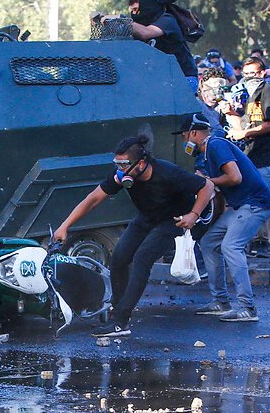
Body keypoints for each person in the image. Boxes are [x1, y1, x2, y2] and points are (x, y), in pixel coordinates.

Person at [52, 134, 213, 337]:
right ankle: (117, 313)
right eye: (117, 164)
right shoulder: (122, 176)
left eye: (124, 164)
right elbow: (93, 199)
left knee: (142, 258)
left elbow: (206, 186)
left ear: (141, 163)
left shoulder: (168, 173)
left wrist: (193, 214)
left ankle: (120, 321)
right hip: (147, 217)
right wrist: (65, 226)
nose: (120, 170)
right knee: (119, 257)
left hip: (174, 220)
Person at [175, 113, 270, 322]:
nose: (185, 142)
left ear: (193, 133)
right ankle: (221, 301)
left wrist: (207, 182)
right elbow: (219, 195)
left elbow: (234, 177)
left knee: (231, 246)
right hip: (242, 205)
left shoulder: (215, 145)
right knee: (209, 241)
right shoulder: (209, 151)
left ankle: (247, 308)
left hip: (256, 203)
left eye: (185, 136)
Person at [221, 57, 270, 261]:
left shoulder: (267, 91)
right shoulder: (250, 95)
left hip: (268, 153)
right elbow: (246, 121)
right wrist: (232, 114)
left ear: (262, 73)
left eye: (252, 73)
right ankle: (261, 242)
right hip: (253, 154)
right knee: (260, 201)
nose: (248, 77)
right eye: (245, 73)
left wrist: (244, 134)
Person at [126, 0, 199, 91]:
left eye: (136, 9)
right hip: (163, 80)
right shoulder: (139, 27)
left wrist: (121, 21)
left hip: (184, 78)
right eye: (132, 11)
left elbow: (146, 33)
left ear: (146, 7)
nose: (134, 14)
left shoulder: (167, 20)